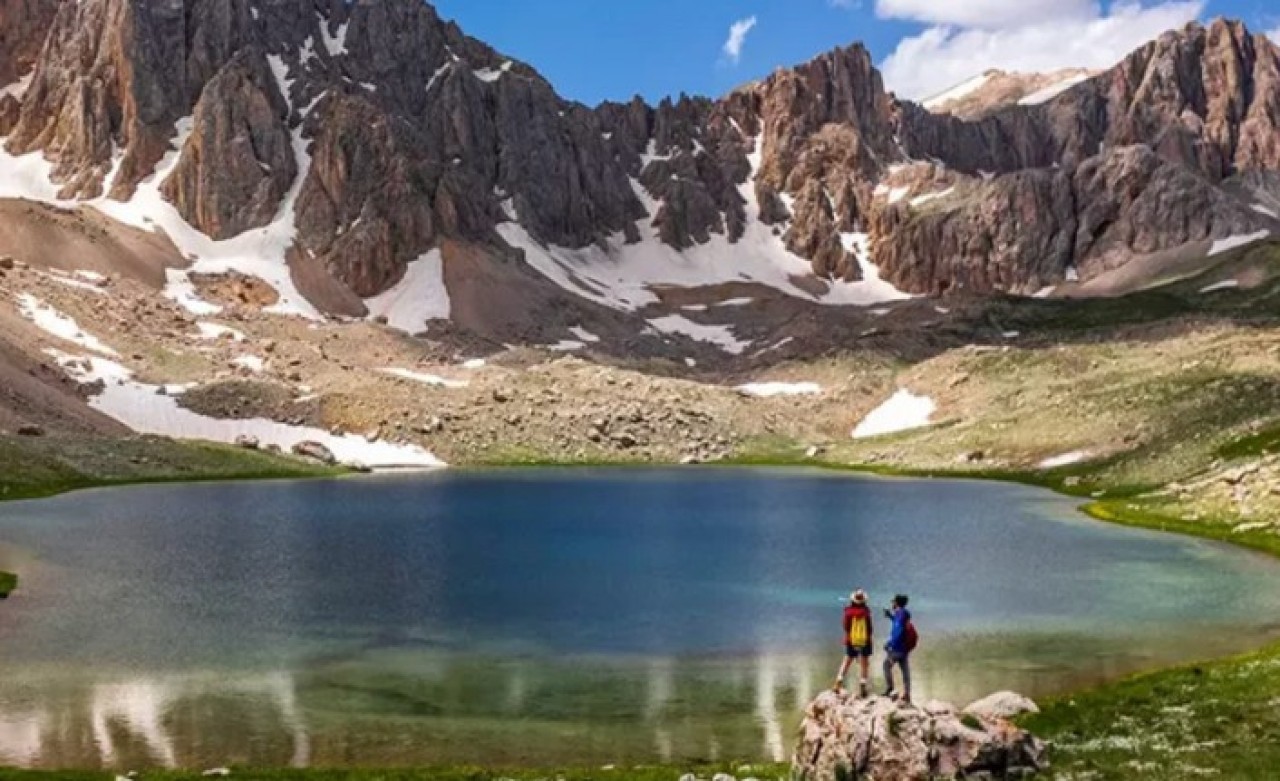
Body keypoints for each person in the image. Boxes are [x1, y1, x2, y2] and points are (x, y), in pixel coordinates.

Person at [834, 589, 874, 696]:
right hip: (865, 641)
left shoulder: (848, 612)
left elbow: (845, 626)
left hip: (851, 640)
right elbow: (870, 629)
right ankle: (863, 684)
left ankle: (839, 681)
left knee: (847, 661)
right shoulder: (866, 612)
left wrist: (851, 635)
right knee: (864, 663)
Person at [883, 594, 914, 705]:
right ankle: (907, 694)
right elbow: (898, 623)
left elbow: (898, 630)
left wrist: (889, 644)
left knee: (886, 665)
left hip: (897, 648)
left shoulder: (900, 614)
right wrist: (890, 616)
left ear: (896, 603)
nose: (892, 604)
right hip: (904, 648)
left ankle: (890, 688)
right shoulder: (902, 613)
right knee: (905, 670)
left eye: (893, 602)